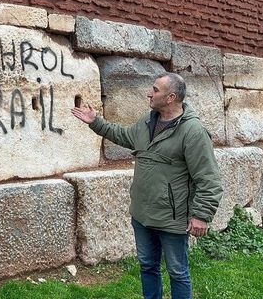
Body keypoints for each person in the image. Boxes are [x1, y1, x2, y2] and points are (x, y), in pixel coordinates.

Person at [71, 72, 223, 299]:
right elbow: (124, 135)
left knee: (178, 272)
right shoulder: (147, 121)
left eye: (155, 90)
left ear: (171, 97)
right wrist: (97, 123)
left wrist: (201, 215)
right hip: (142, 214)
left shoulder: (193, 131)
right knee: (147, 266)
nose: (149, 93)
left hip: (172, 218)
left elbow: (209, 178)